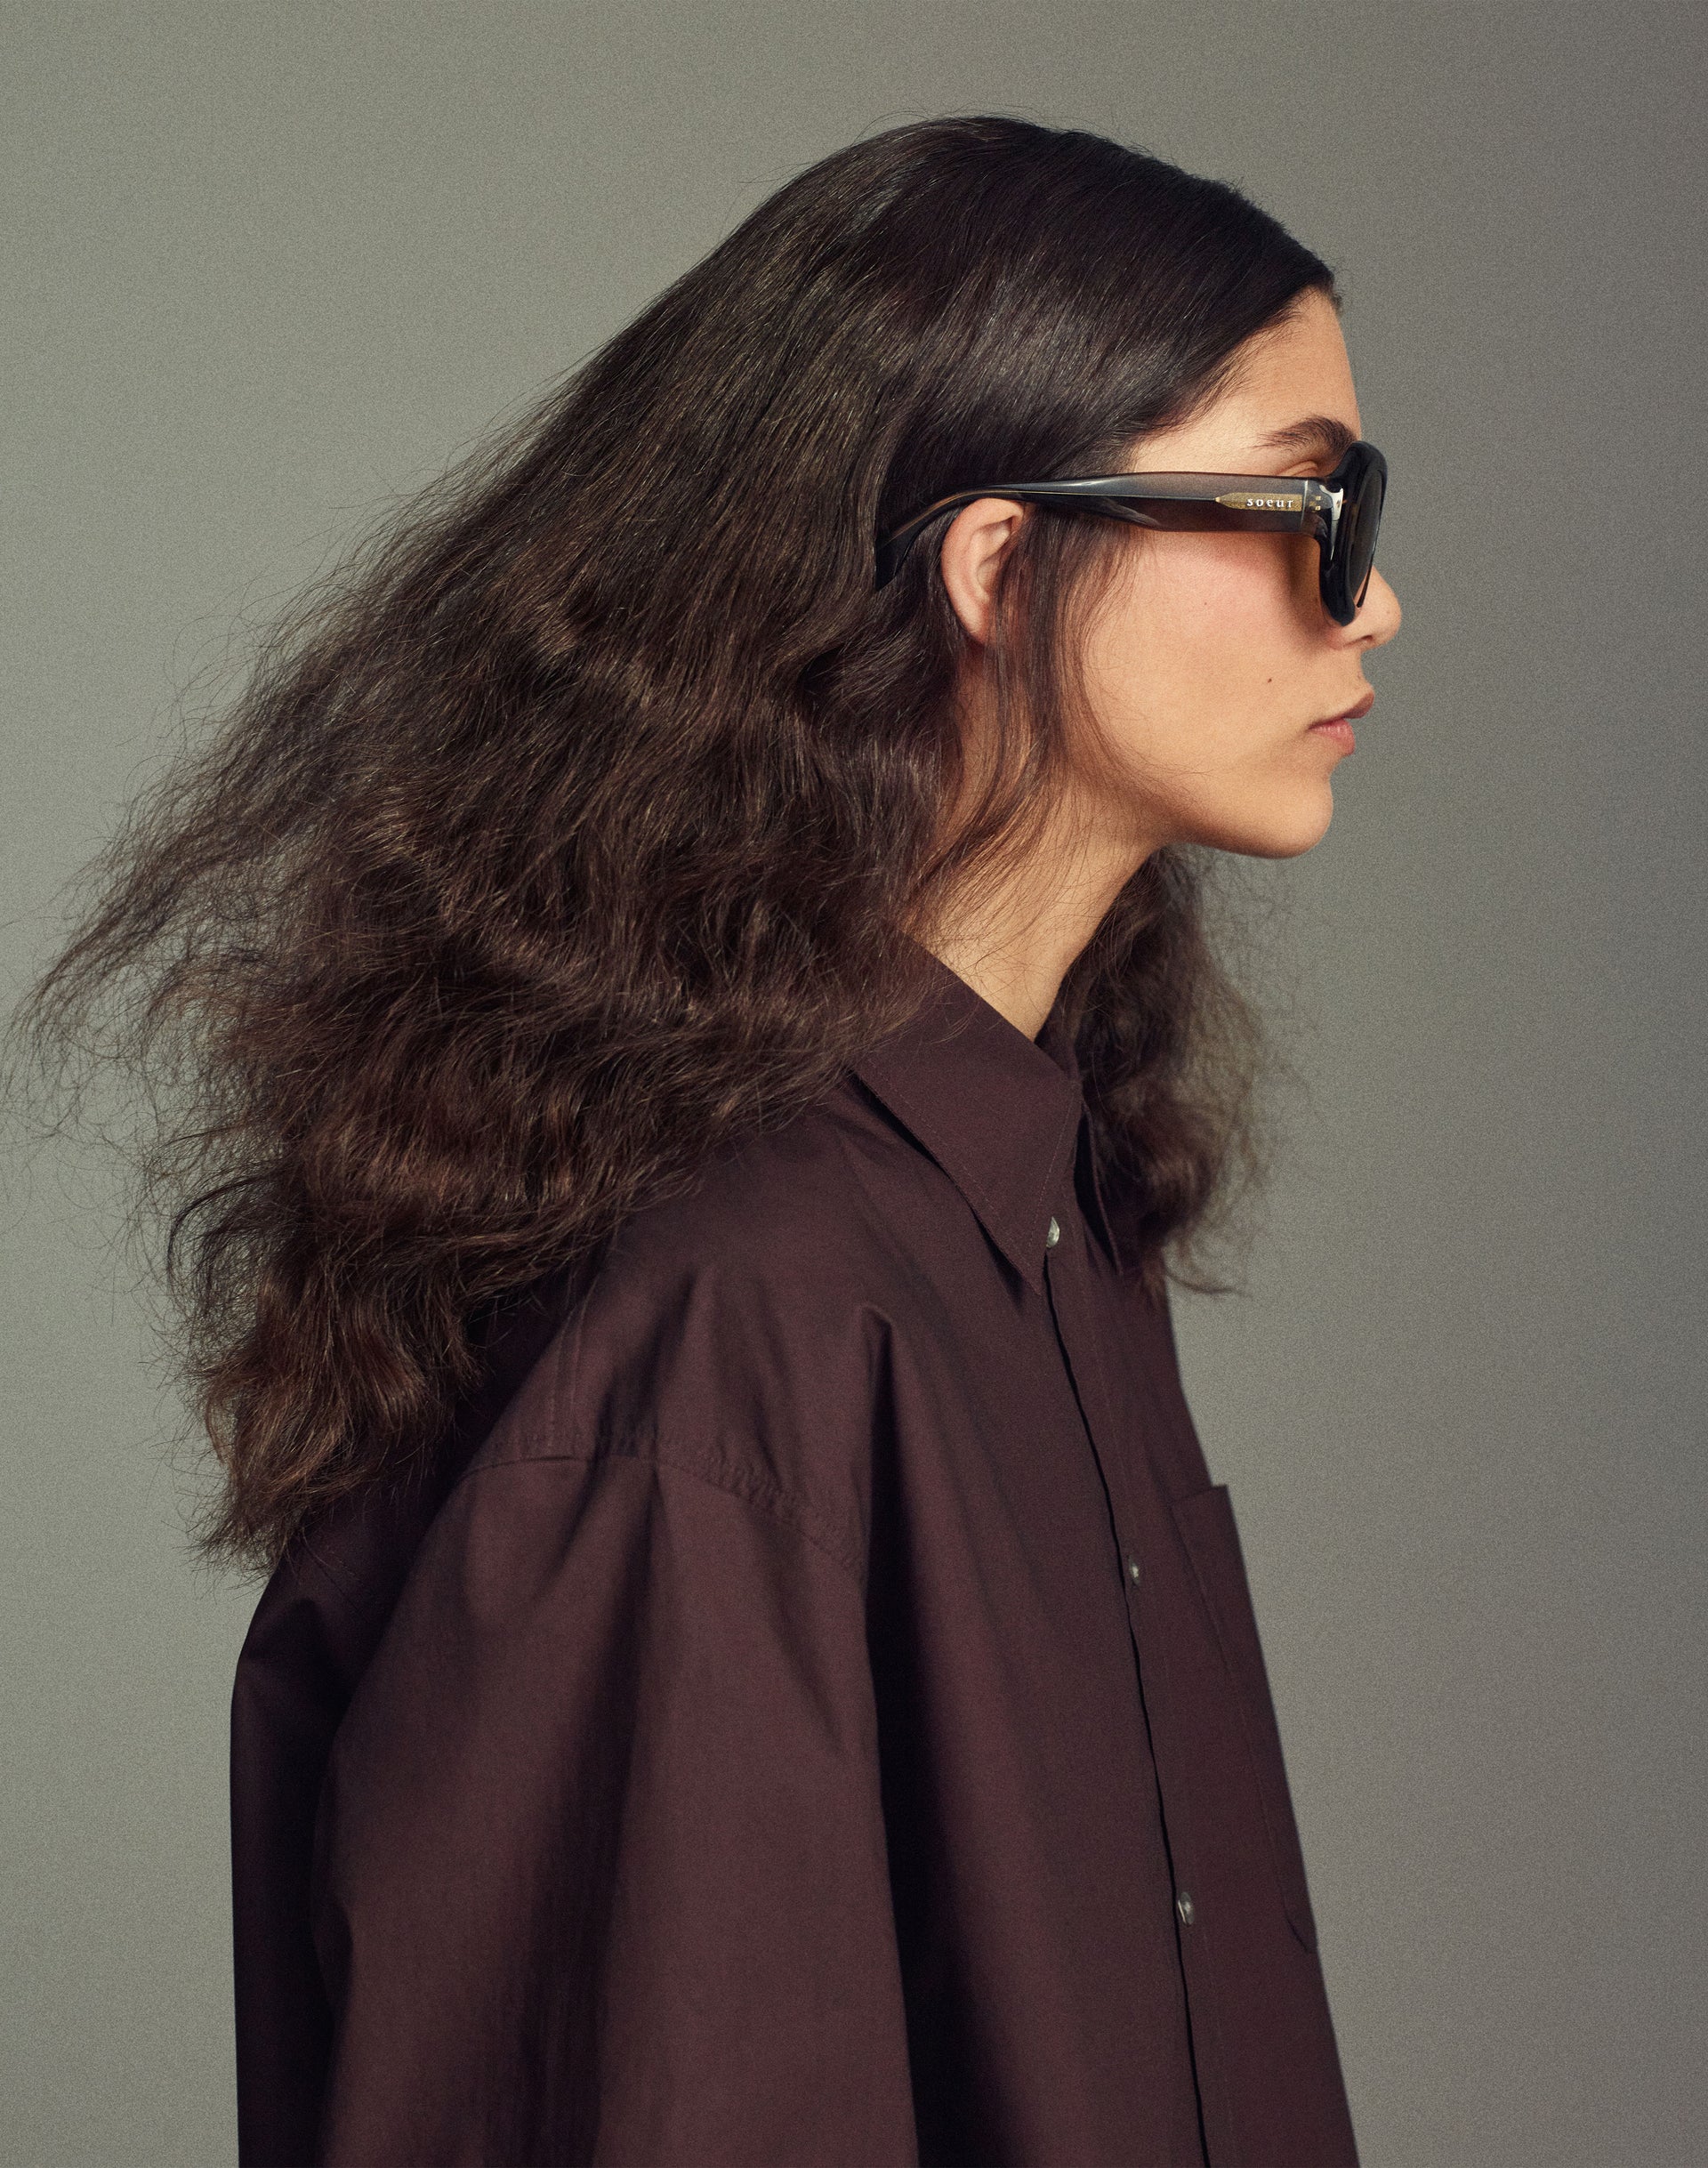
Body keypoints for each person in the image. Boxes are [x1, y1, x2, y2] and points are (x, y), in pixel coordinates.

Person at [25, 115, 1399, 2164]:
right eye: (1313, 506)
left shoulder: (1036, 1219)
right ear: (1001, 567)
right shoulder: (727, 1335)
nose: (1375, 603)